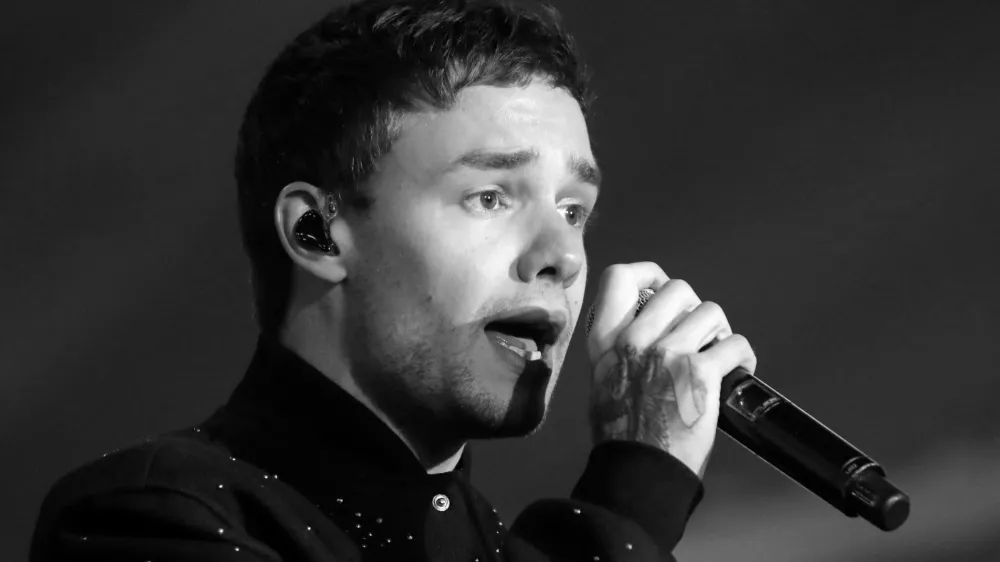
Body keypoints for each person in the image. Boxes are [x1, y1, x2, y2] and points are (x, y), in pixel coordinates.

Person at [29, 0, 757, 560]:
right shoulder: (151, 516)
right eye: (490, 197)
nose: (562, 255)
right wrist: (635, 489)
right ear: (318, 232)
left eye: (574, 210)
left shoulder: (491, 545)